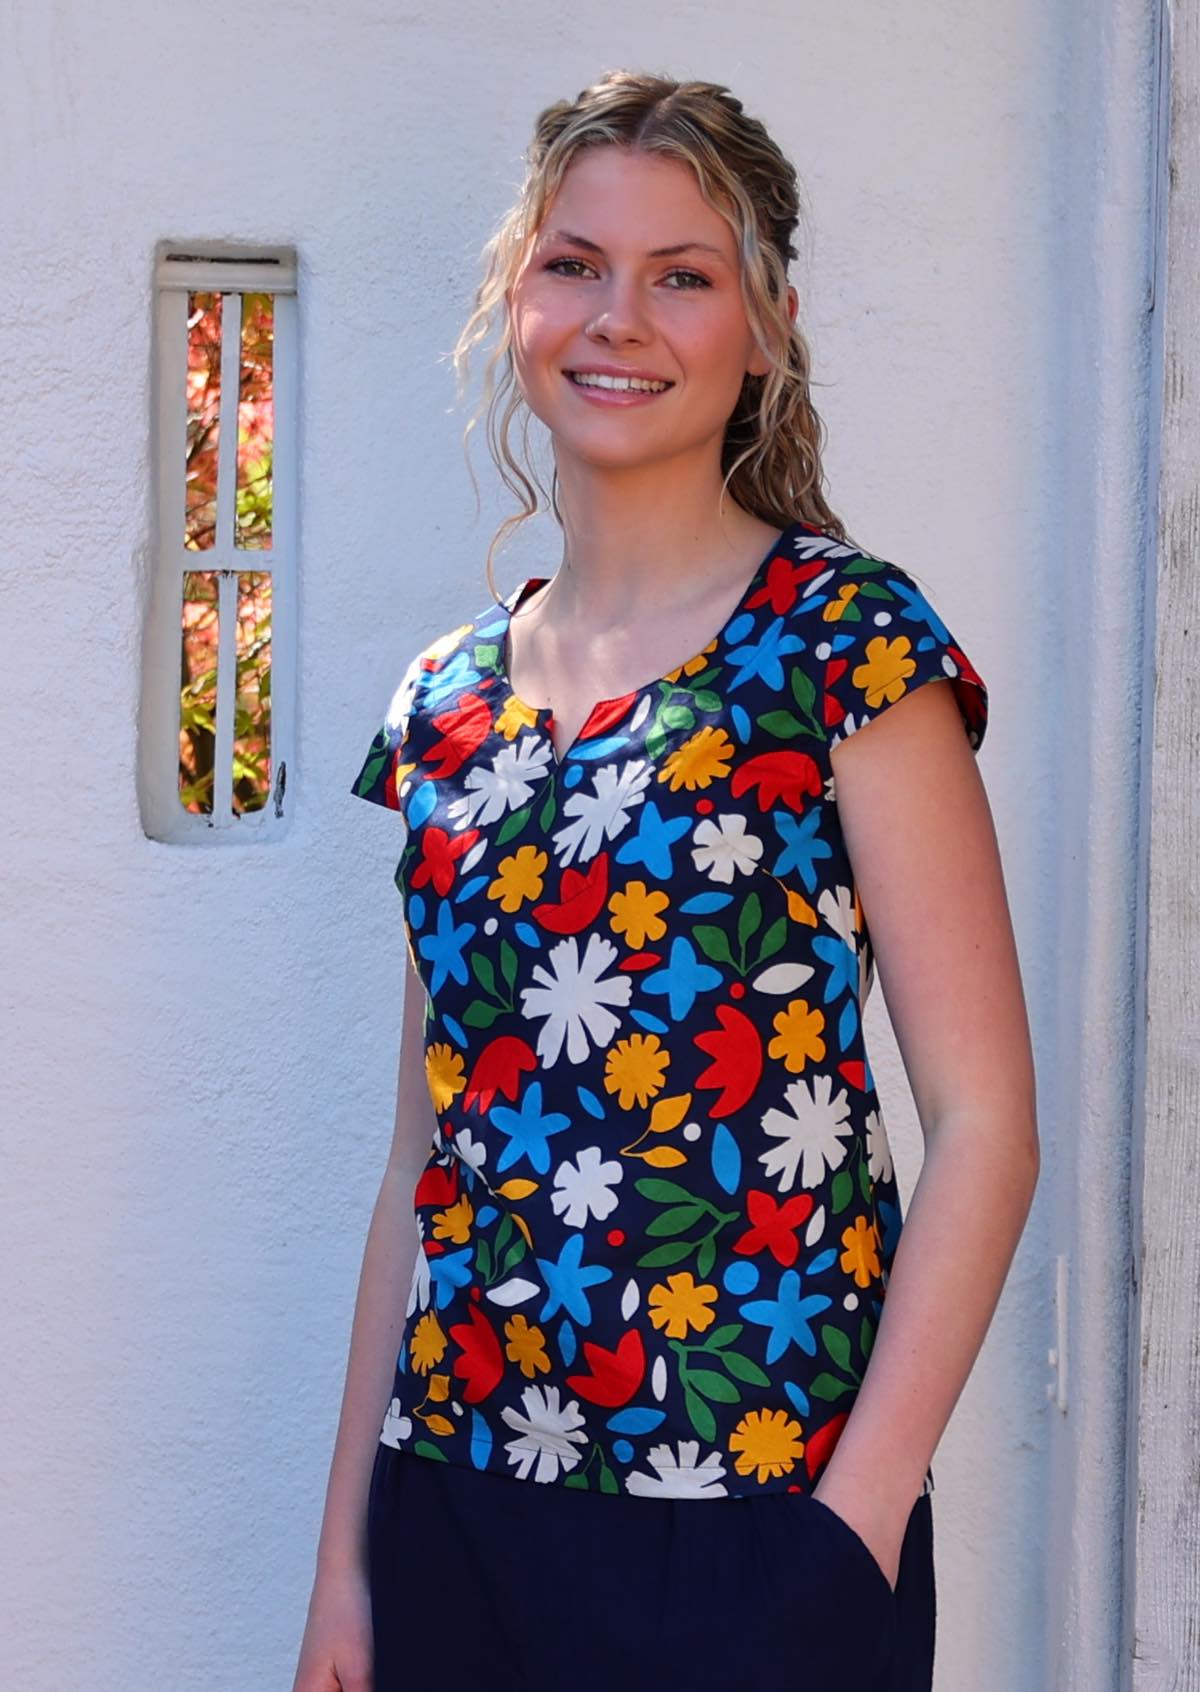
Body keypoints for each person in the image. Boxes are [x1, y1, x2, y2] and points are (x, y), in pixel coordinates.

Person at [292, 69, 1039, 1692]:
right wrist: (345, 1563)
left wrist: (851, 1530)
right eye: (575, 264)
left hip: (755, 1524)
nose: (618, 318)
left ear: (765, 329)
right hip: (454, 1510)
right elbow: (423, 1156)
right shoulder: (442, 706)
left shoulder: (846, 642)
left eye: (681, 275)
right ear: (516, 301)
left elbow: (987, 1122)